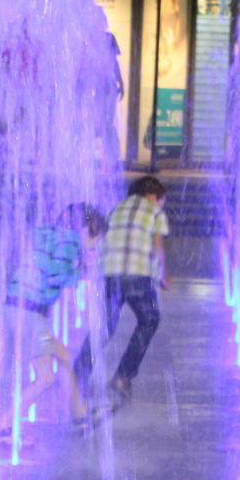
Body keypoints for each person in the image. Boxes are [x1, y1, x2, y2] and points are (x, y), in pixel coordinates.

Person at [2, 203, 109, 431]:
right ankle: (3, 426)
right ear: (86, 229)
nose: (94, 246)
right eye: (95, 240)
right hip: (29, 312)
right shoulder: (69, 241)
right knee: (45, 378)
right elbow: (56, 276)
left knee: (66, 359)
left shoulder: (53, 236)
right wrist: (82, 270)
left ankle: (80, 417)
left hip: (21, 308)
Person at [74, 175, 170, 408]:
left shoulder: (114, 210)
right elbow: (157, 246)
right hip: (137, 275)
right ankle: (122, 376)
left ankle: (78, 375)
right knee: (150, 319)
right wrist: (162, 274)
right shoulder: (154, 212)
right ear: (152, 196)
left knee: (105, 327)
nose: (160, 204)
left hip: (109, 276)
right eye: (161, 200)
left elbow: (99, 239)